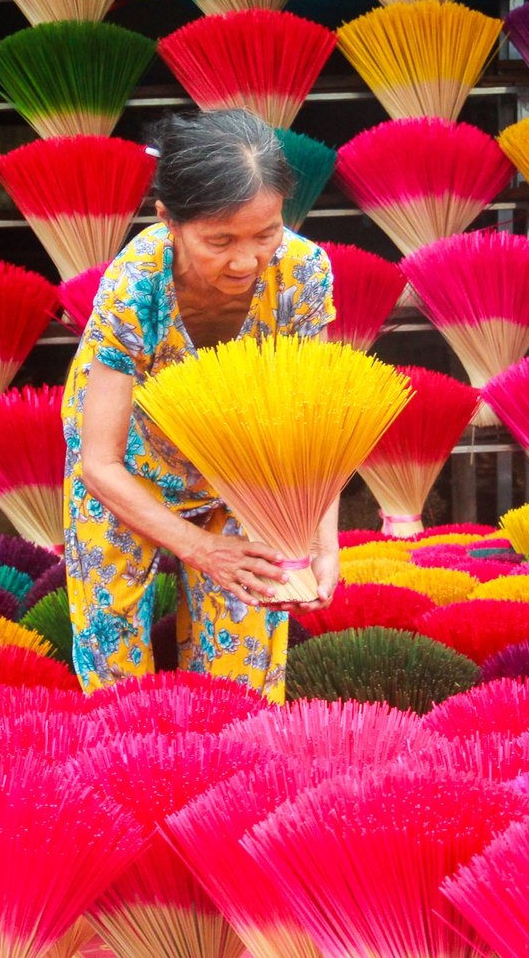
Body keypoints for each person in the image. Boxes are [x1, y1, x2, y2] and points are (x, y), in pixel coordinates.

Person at [62, 109, 337, 700]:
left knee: (245, 659)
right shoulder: (136, 284)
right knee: (112, 646)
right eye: (220, 240)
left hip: (244, 466)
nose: (247, 261)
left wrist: (321, 540)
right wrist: (200, 549)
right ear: (168, 220)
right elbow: (99, 464)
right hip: (129, 467)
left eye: (266, 234)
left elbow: (313, 424)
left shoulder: (303, 274)